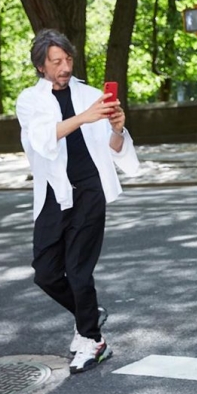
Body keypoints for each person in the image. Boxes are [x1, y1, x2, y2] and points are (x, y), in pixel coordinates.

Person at [16, 29, 139, 374]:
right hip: (55, 193)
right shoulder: (30, 100)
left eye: (67, 58)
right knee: (45, 272)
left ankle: (93, 340)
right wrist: (84, 117)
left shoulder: (90, 95)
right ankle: (88, 313)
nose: (65, 66)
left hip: (89, 191)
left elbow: (115, 149)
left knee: (79, 271)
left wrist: (117, 128)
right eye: (56, 61)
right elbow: (42, 139)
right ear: (41, 66)